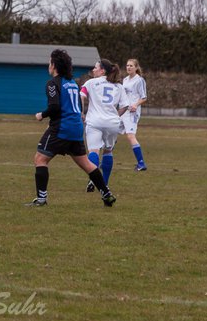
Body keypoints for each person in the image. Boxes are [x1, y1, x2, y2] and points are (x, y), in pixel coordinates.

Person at [26, 48, 116, 208]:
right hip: (76, 128)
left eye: (50, 62)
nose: (48, 65)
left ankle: (41, 199)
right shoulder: (72, 83)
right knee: (86, 164)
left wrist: (42, 114)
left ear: (54, 65)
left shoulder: (53, 84)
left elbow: (54, 107)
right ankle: (106, 193)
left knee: (40, 159)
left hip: (62, 128)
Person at [79, 58, 128, 192]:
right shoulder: (119, 86)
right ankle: (104, 184)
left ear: (102, 71)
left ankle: (92, 179)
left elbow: (81, 96)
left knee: (93, 151)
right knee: (108, 151)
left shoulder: (90, 83)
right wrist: (115, 116)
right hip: (112, 123)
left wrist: (82, 112)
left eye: (95, 68)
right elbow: (125, 106)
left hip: (94, 122)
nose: (93, 70)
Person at [120, 58, 149, 171]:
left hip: (132, 113)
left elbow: (144, 97)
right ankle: (106, 161)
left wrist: (135, 105)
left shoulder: (139, 80)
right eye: (127, 65)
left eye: (131, 65)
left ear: (136, 67)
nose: (129, 67)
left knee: (130, 136)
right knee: (111, 133)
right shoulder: (125, 80)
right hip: (123, 112)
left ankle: (141, 163)